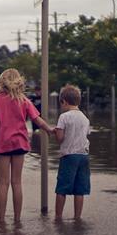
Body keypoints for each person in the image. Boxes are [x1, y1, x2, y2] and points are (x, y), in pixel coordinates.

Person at [0, 68, 54, 223]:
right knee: (17, 182)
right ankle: (17, 220)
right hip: (20, 143)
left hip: (2, 144)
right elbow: (37, 119)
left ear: (1, 81)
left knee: (3, 182)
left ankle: (1, 221)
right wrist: (49, 129)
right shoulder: (23, 100)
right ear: (18, 81)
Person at [48, 84, 91, 219]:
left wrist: (56, 132)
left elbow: (60, 139)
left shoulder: (64, 117)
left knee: (62, 188)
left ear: (64, 101)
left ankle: (58, 217)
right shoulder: (85, 118)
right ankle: (77, 217)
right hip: (84, 156)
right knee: (80, 189)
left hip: (69, 156)